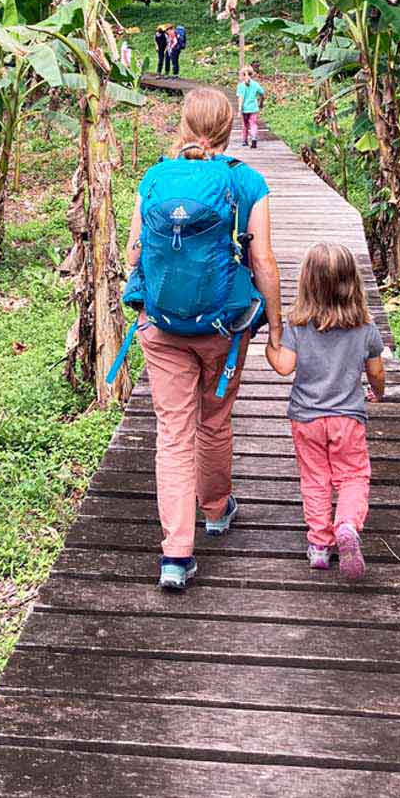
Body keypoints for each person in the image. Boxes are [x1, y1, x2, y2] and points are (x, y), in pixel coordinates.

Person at [125, 87, 283, 591]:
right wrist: (276, 331)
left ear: (184, 123)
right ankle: (216, 510)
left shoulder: (154, 178)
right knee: (213, 420)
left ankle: (176, 554)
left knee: (173, 435)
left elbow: (133, 254)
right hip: (223, 329)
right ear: (229, 126)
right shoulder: (246, 180)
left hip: (162, 326)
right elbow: (263, 262)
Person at [266, 242, 385, 579]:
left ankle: (319, 546)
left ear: (307, 284)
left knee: (315, 479)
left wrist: (270, 346)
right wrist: (378, 393)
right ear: (353, 283)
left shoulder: (297, 325)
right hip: (348, 418)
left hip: (306, 419)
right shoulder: (365, 328)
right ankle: (346, 524)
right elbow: (376, 372)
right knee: (352, 476)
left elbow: (284, 367)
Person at [236, 65, 265, 148]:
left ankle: (245, 141)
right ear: (251, 74)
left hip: (245, 109)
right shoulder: (255, 85)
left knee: (245, 125)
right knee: (253, 124)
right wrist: (261, 102)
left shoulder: (240, 86)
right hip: (254, 108)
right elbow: (262, 93)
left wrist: (239, 109)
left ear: (242, 75)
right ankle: (254, 138)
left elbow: (240, 98)